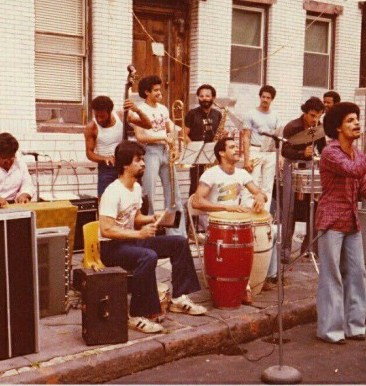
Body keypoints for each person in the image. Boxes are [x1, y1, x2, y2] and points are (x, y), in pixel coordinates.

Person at [99, 140, 206, 334]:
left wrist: (153, 218)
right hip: (112, 248)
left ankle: (178, 298)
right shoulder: (112, 192)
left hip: (131, 241)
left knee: (179, 243)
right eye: (138, 160)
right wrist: (138, 234)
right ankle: (136, 315)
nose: (143, 164)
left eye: (142, 159)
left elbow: (135, 217)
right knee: (148, 256)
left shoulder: (136, 188)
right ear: (125, 165)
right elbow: (106, 230)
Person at [316, 102, 366, 344]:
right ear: (338, 127)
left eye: (357, 119)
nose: (356, 124)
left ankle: (354, 326)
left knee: (357, 274)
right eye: (350, 120)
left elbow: (362, 182)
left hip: (351, 221)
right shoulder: (330, 152)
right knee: (332, 276)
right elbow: (353, 170)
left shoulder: (356, 153)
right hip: (331, 220)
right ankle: (330, 330)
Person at [193, 137, 277, 302]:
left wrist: (260, 197)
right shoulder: (211, 174)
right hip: (215, 222)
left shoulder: (241, 173)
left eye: (236, 146)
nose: (237, 149)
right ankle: (244, 286)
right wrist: (226, 208)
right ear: (221, 153)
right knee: (243, 239)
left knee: (273, 231)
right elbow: (197, 202)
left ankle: (261, 278)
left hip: (236, 221)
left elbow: (260, 193)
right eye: (232, 147)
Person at [133, 75, 187, 237]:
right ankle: (148, 233)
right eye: (156, 90)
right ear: (146, 92)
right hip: (149, 152)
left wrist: (178, 140)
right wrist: (163, 137)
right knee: (148, 194)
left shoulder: (163, 108)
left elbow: (171, 128)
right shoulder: (140, 109)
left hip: (165, 151)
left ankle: (177, 234)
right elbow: (140, 136)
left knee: (174, 195)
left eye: (159, 89)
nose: (159, 92)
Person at [281, 97, 326, 263]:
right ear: (305, 112)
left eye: (319, 116)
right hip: (292, 165)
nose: (315, 119)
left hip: (310, 167)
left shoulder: (319, 128)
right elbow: (284, 151)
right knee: (289, 208)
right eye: (313, 115)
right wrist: (301, 153)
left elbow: (323, 149)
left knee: (314, 207)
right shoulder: (292, 127)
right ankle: (284, 251)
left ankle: (309, 249)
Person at [84, 95, 152, 197]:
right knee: (105, 199)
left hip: (126, 165)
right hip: (107, 168)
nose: (99, 119)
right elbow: (89, 153)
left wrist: (137, 110)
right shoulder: (91, 127)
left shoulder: (121, 116)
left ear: (110, 112)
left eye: (102, 116)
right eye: (96, 116)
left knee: (132, 197)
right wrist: (105, 158)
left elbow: (148, 125)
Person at [242, 85, 282, 212]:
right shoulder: (250, 114)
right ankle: (246, 214)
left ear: (272, 99)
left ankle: (264, 217)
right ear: (260, 97)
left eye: (268, 98)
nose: (265, 99)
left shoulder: (275, 115)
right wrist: (246, 159)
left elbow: (278, 136)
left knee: (267, 186)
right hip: (255, 150)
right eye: (263, 97)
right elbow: (246, 137)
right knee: (251, 183)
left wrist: (280, 156)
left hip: (270, 152)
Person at [184, 84, 223, 196]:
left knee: (213, 183)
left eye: (207, 96)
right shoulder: (192, 113)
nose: (204, 98)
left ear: (213, 98)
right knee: (196, 183)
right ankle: (192, 205)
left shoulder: (217, 114)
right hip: (197, 154)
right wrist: (194, 148)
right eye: (201, 96)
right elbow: (184, 134)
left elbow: (219, 133)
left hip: (213, 154)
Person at [0, 132, 35, 208]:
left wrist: (24, 194)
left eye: (11, 159)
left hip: (12, 204)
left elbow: (27, 183)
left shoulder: (19, 162)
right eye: (5, 160)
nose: (9, 162)